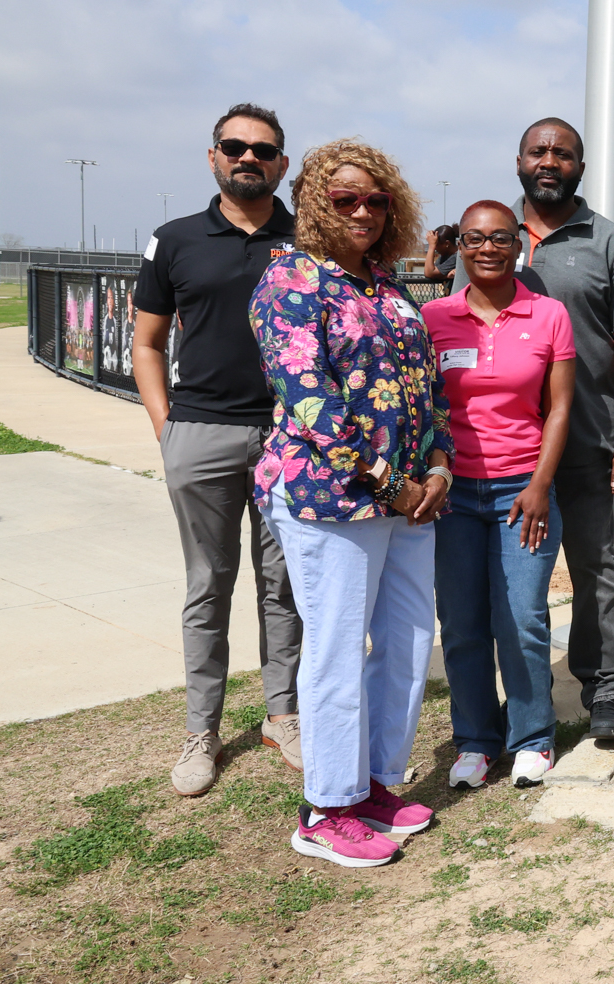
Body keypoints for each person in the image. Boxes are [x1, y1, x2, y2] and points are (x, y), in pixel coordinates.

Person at [251, 138, 449, 868]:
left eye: (376, 199)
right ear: (314, 203)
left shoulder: (388, 287)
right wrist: (384, 479)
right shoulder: (291, 281)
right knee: (335, 651)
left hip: (411, 502)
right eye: (345, 199)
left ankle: (371, 785)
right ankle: (324, 809)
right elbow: (311, 401)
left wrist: (436, 467)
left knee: (405, 643)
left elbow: (427, 391)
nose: (363, 210)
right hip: (328, 498)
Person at [132, 103, 303, 797]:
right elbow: (147, 343)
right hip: (200, 433)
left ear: (282, 165)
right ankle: (201, 730)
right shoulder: (174, 240)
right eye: (234, 146)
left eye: (263, 150)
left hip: (289, 439)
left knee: (283, 586)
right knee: (208, 586)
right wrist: (166, 429)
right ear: (213, 156)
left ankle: (281, 716)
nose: (248, 157)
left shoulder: (307, 239)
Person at [423, 201, 577, 789]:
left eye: (500, 238)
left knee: (522, 619)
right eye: (473, 238)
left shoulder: (549, 315)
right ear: (459, 246)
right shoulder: (433, 317)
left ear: (518, 246)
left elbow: (560, 406)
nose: (487, 248)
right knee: (461, 624)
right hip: (453, 493)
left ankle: (533, 735)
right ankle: (476, 740)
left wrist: (541, 484)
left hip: (523, 490)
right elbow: (423, 406)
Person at [510, 117, 614, 740]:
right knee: (515, 576)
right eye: (538, 151)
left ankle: (605, 691)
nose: (549, 161)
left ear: (580, 168)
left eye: (562, 153)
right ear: (519, 160)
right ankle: (523, 696)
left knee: (596, 570)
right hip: (504, 447)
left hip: (590, 439)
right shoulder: (488, 237)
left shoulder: (610, 244)